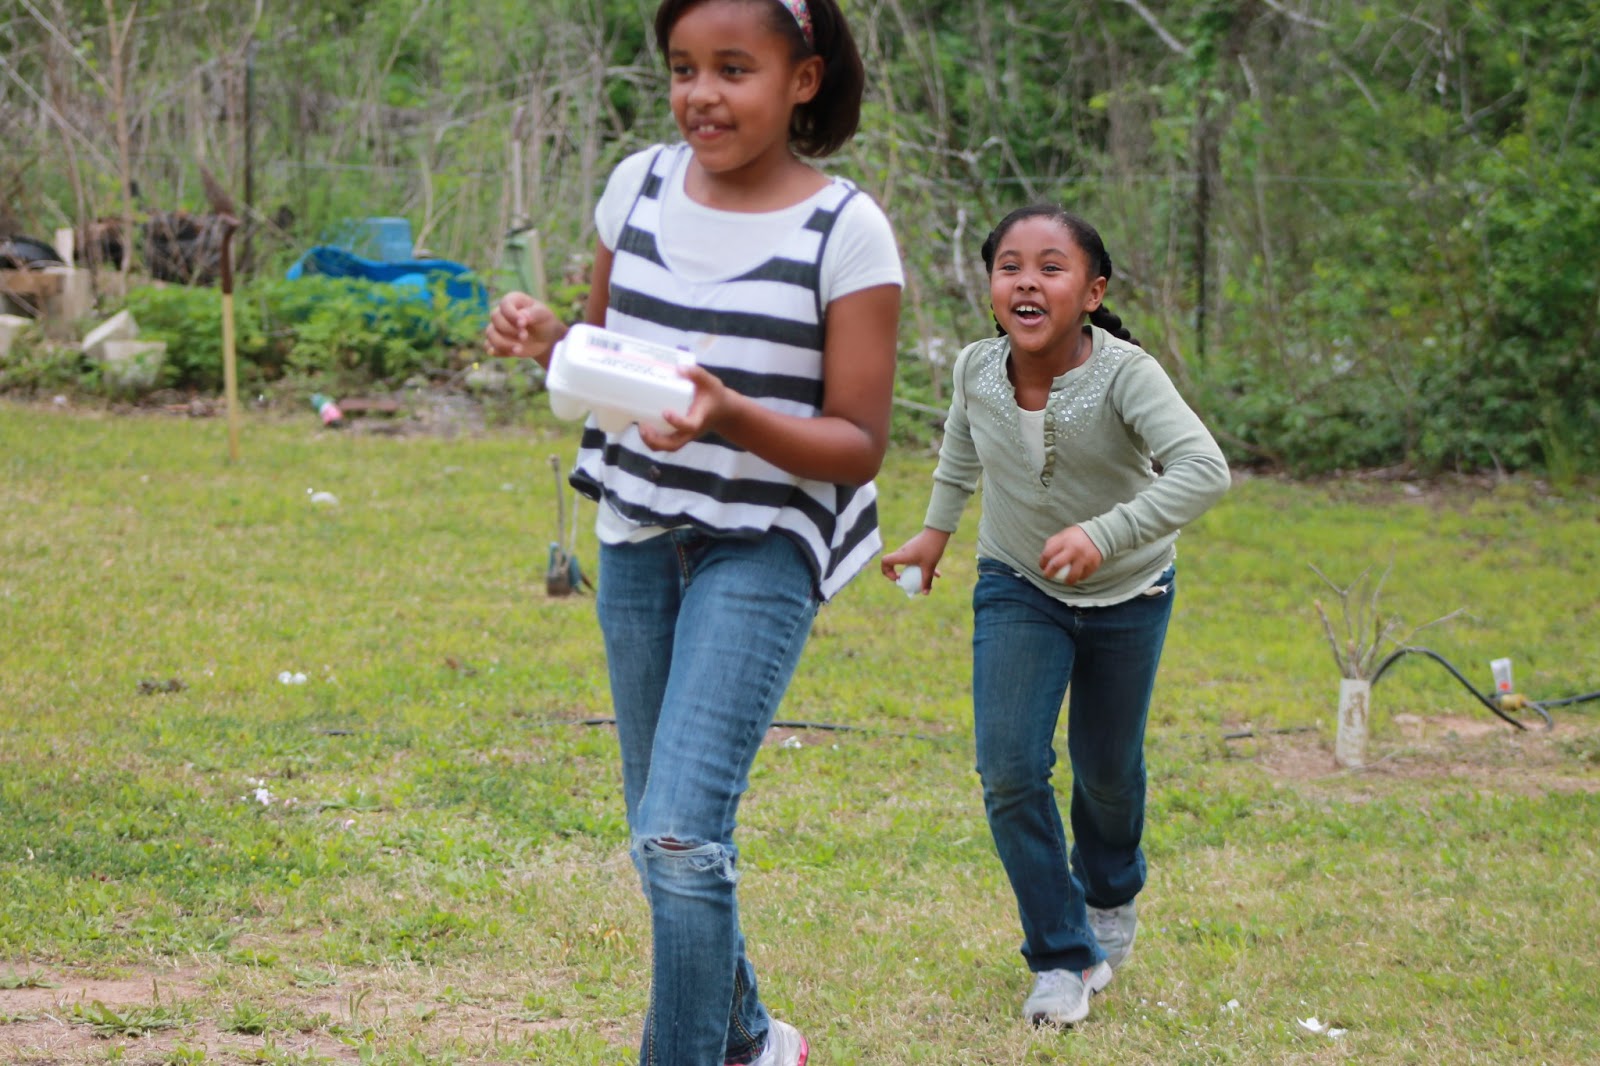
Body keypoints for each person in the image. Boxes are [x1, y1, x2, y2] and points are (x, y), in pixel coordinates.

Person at [484, 0, 902, 1062]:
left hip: (763, 541)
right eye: (682, 69)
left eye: (732, 69)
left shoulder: (846, 231)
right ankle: (755, 1041)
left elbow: (857, 443)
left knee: (678, 834)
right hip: (635, 530)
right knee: (663, 836)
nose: (701, 95)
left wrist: (727, 414)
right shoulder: (636, 186)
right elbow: (605, 360)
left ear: (802, 79)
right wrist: (549, 339)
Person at [881, 204, 1229, 1027]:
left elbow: (1204, 469)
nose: (1026, 282)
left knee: (1106, 769)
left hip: (1130, 592)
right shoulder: (975, 367)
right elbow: (961, 447)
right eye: (1009, 266)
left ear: (1093, 292)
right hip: (1017, 582)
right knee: (1008, 768)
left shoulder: (1127, 375)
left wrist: (1105, 535)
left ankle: (1109, 889)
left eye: (1050, 267)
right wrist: (935, 532)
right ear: (990, 288)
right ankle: (1062, 954)